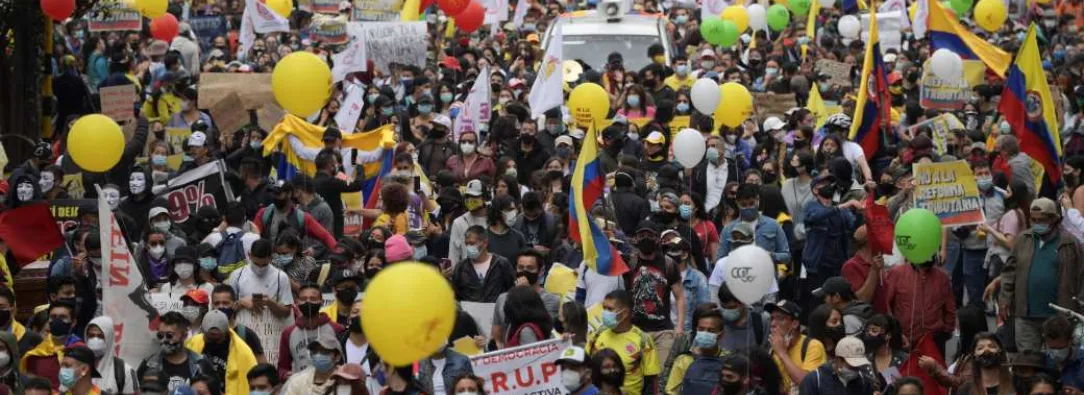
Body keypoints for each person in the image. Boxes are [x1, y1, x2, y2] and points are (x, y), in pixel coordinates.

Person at [1000, 198, 1084, 351]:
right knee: (1029, 362)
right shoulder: (1023, 240)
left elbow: (1081, 276)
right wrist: (1004, 298)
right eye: (1034, 219)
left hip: (1059, 319)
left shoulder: (1070, 243)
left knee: (1058, 361)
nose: (1037, 223)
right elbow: (1009, 272)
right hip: (1026, 316)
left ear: (1054, 219)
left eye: (1042, 220)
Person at [625, 221, 685, 361]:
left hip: (662, 332)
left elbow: (680, 296)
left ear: (657, 239)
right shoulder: (629, 263)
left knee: (661, 374)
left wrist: (680, 326)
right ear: (635, 239)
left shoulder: (668, 264)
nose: (646, 238)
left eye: (650, 235)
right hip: (634, 331)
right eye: (641, 235)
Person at [884, 246, 956, 355]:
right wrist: (894, 331)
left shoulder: (942, 277)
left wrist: (946, 331)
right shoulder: (897, 273)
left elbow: (950, 307)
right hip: (904, 339)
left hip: (934, 340)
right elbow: (886, 304)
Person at [586, 290, 660, 395]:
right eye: (604, 308)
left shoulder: (643, 340)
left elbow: (652, 380)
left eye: (610, 309)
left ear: (625, 313)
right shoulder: (597, 335)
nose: (604, 313)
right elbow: (584, 364)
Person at [491, 249, 561, 347]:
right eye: (520, 267)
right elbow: (496, 336)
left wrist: (524, 293)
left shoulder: (550, 299)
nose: (524, 272)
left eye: (530, 268)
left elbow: (544, 330)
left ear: (541, 271)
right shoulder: (502, 298)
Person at [276, 283, 344, 379]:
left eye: (313, 299)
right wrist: (285, 375)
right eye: (303, 299)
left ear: (321, 301)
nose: (308, 302)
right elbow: (282, 367)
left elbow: (344, 362)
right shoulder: (288, 333)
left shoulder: (337, 329)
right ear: (297, 302)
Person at [136, 312, 215, 394]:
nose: (164, 340)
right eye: (160, 335)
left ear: (184, 336)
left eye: (169, 335)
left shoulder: (202, 365)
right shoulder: (148, 365)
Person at [184, 310, 258, 395]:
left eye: (217, 339)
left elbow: (250, 385)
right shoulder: (192, 343)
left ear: (226, 333)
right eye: (209, 338)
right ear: (202, 332)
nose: (213, 342)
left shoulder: (243, 353)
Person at [253, 181, 338, 251]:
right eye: (274, 193)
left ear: (289, 194)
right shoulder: (263, 214)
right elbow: (252, 238)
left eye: (278, 193)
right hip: (268, 263)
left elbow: (325, 236)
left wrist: (338, 252)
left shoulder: (301, 217)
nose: (275, 197)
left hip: (293, 265)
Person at [717, 184, 790, 265]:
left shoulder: (773, 225)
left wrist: (770, 256)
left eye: (751, 203)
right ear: (737, 203)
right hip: (738, 273)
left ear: (758, 200)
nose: (748, 207)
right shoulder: (728, 229)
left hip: (766, 274)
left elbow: (786, 256)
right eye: (743, 205)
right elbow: (720, 260)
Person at [663, 306, 728, 395]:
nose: (705, 333)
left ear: (721, 334)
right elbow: (671, 392)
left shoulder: (728, 360)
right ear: (696, 330)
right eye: (701, 329)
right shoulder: (684, 360)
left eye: (711, 330)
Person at [226, 239, 295, 320]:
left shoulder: (281, 277)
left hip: (272, 329)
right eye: (256, 264)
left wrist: (270, 303)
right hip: (243, 328)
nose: (260, 268)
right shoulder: (237, 275)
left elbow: (287, 312)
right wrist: (242, 302)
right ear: (249, 255)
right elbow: (228, 307)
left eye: (264, 265)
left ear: (271, 257)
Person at [765, 300, 826, 392]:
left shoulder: (813, 346)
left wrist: (782, 353)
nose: (773, 324)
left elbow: (807, 383)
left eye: (780, 319)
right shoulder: (773, 350)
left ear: (795, 323)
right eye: (772, 318)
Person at [22, 299, 83, 389]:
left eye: (63, 317)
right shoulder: (36, 353)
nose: (57, 321)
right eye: (53, 317)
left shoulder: (81, 351)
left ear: (73, 322)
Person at [449, 225, 515, 302]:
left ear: (485, 243)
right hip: (469, 311)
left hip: (494, 311)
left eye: (472, 243)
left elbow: (511, 290)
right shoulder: (461, 267)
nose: (468, 247)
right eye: (466, 244)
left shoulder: (501, 264)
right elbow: (455, 295)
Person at [798, 336, 875, 395]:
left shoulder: (864, 381)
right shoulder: (815, 380)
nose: (855, 370)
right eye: (851, 366)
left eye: (858, 366)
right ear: (838, 360)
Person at [313, 150, 364, 238]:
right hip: (333, 231)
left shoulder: (312, 182)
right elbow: (357, 185)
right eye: (335, 163)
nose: (337, 166)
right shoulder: (331, 183)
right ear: (330, 166)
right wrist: (360, 167)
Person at [210, 284, 266, 364]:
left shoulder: (246, 335)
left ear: (235, 305)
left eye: (225, 303)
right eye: (216, 303)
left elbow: (263, 368)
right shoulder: (205, 334)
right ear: (212, 306)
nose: (220, 307)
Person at [664, 237, 710, 333]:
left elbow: (704, 310)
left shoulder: (698, 278)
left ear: (684, 255)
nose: (669, 253)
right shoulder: (661, 275)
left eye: (673, 250)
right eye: (668, 250)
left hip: (687, 333)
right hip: (665, 332)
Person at [84, 316, 138, 394]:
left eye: (100, 336)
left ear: (109, 338)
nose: (95, 340)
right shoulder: (76, 366)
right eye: (91, 336)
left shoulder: (125, 371)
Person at [277, 332, 343, 395]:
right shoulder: (298, 382)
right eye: (315, 351)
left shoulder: (344, 382)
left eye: (325, 351)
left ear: (337, 357)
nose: (318, 355)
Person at [449, 180, 490, 263]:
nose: (470, 200)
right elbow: (453, 255)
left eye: (475, 196)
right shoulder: (459, 222)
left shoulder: (493, 220)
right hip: (467, 272)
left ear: (484, 198)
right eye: (468, 196)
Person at [1041, 315, 1084, 383]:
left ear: (1071, 341)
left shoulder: (1081, 361)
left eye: (1061, 348)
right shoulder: (1042, 361)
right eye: (1052, 348)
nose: (1056, 353)